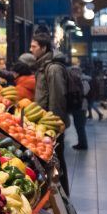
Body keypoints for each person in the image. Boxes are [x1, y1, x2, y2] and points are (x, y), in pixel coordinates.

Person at [30, 33, 70, 194]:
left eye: (34, 46)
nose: (30, 49)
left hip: (51, 125)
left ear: (44, 47)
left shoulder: (53, 68)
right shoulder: (43, 65)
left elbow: (57, 99)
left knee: (57, 161)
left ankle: (64, 197)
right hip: (44, 123)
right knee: (52, 162)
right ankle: (56, 194)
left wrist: (54, 129)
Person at [68, 66, 88, 150]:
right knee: (78, 125)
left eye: (74, 71)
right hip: (80, 105)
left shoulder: (83, 80)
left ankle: (83, 144)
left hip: (81, 105)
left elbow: (85, 92)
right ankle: (81, 142)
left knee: (80, 126)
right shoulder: (79, 80)